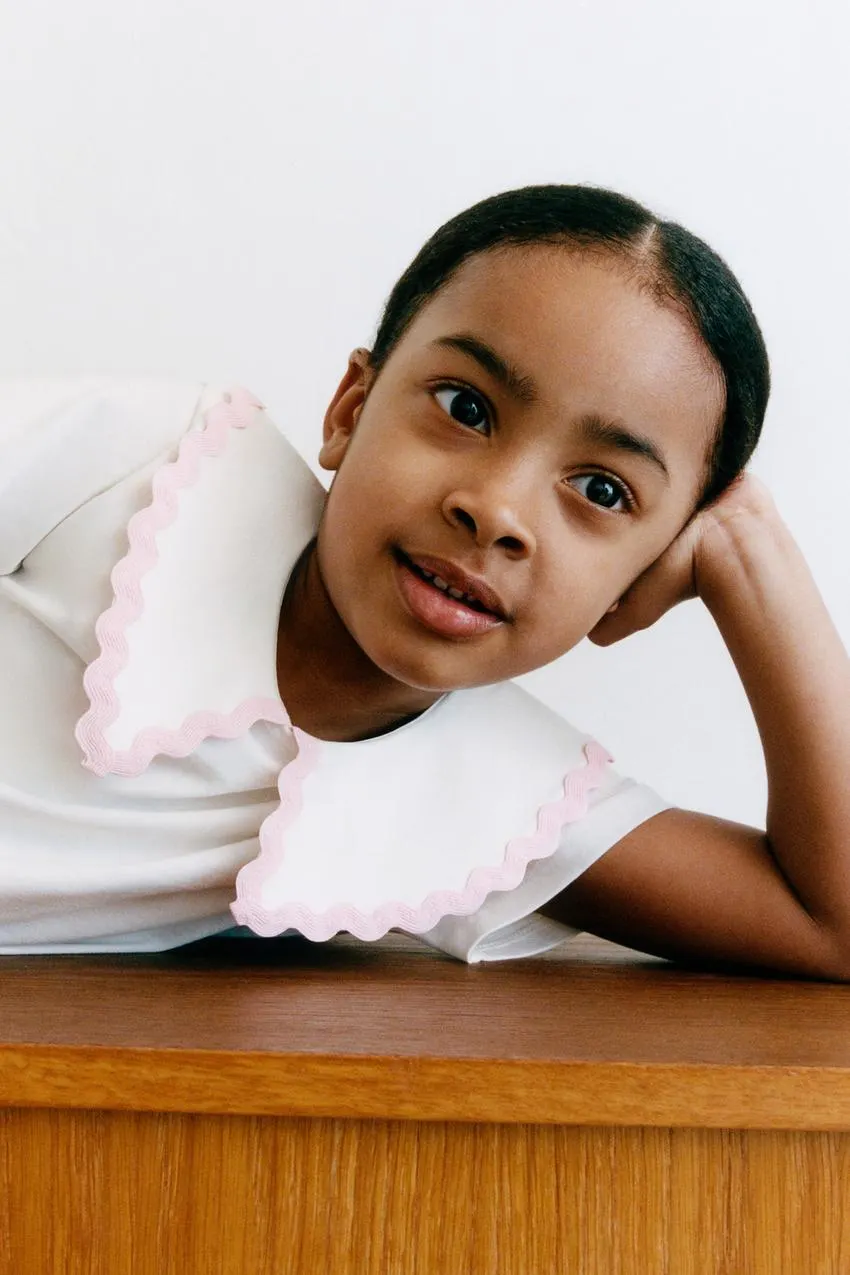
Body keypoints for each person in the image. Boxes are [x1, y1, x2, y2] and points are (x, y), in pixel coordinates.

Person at [2, 185, 849, 977]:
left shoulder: (500, 802)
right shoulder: (153, 462)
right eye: (465, 407)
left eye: (602, 491)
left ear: (634, 586)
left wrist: (750, 553)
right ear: (349, 411)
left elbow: (833, 921)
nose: (496, 511)